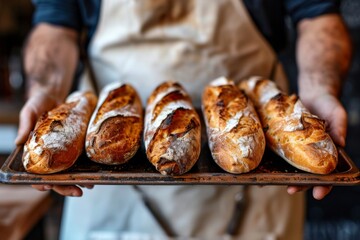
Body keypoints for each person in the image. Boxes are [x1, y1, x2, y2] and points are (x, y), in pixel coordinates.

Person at [15, 0, 351, 239]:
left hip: (255, 180)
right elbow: (55, 24)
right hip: (111, 179)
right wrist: (46, 91)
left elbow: (318, 16)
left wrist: (319, 90)